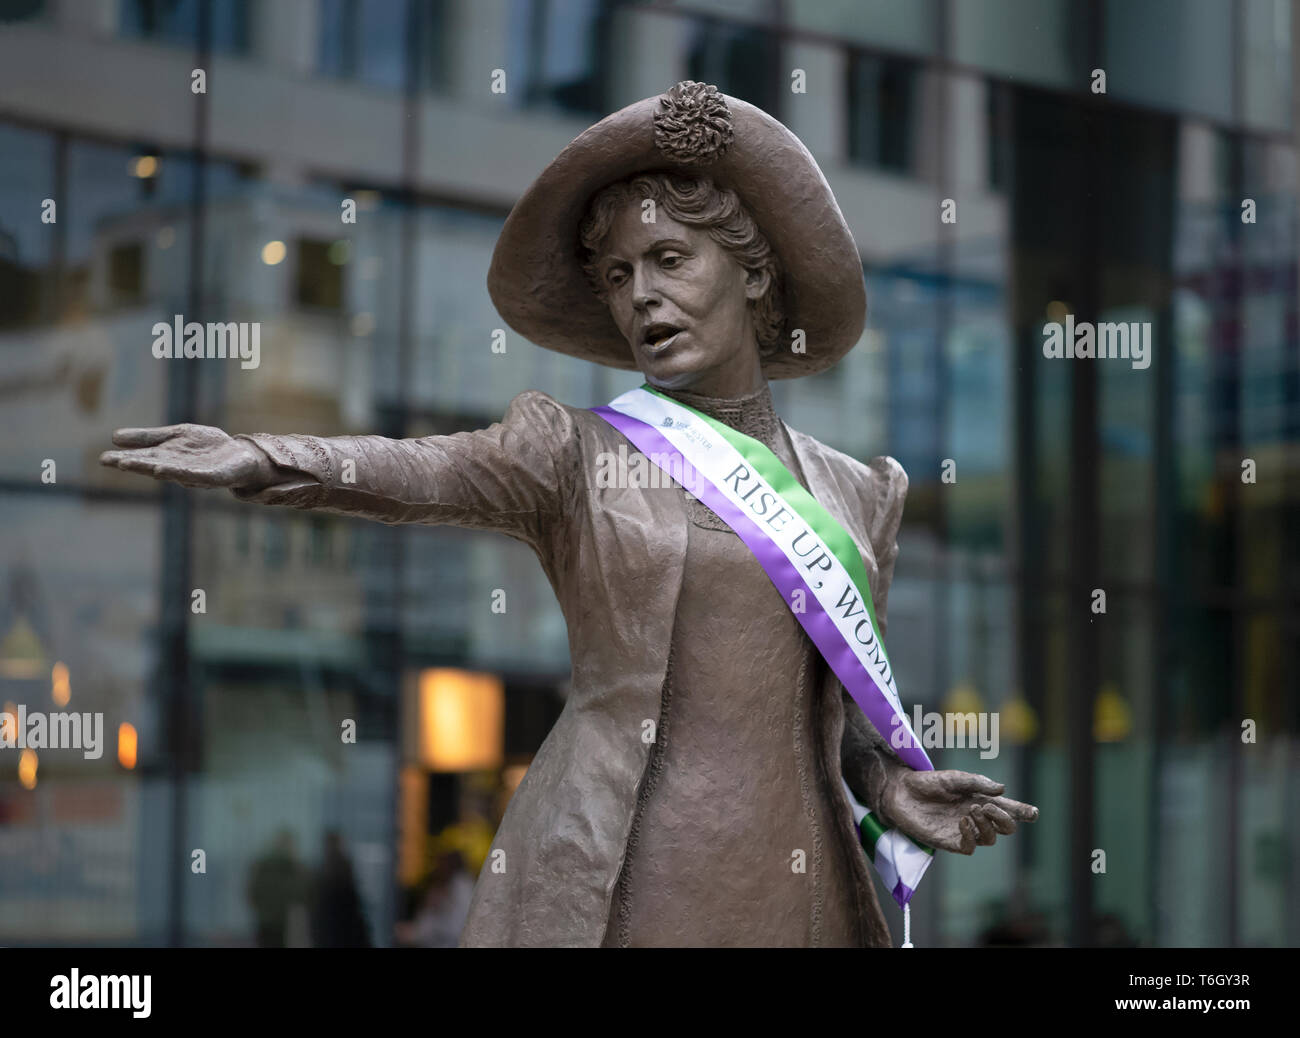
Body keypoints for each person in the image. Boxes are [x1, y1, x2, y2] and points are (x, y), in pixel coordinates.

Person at [102, 81, 1037, 947]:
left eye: (671, 259)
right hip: (621, 867)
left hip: (799, 887)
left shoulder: (855, 494)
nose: (642, 296)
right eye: (621, 274)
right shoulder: (575, 455)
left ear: (752, 275)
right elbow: (422, 470)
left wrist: (892, 786)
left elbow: (831, 717)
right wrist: (270, 456)